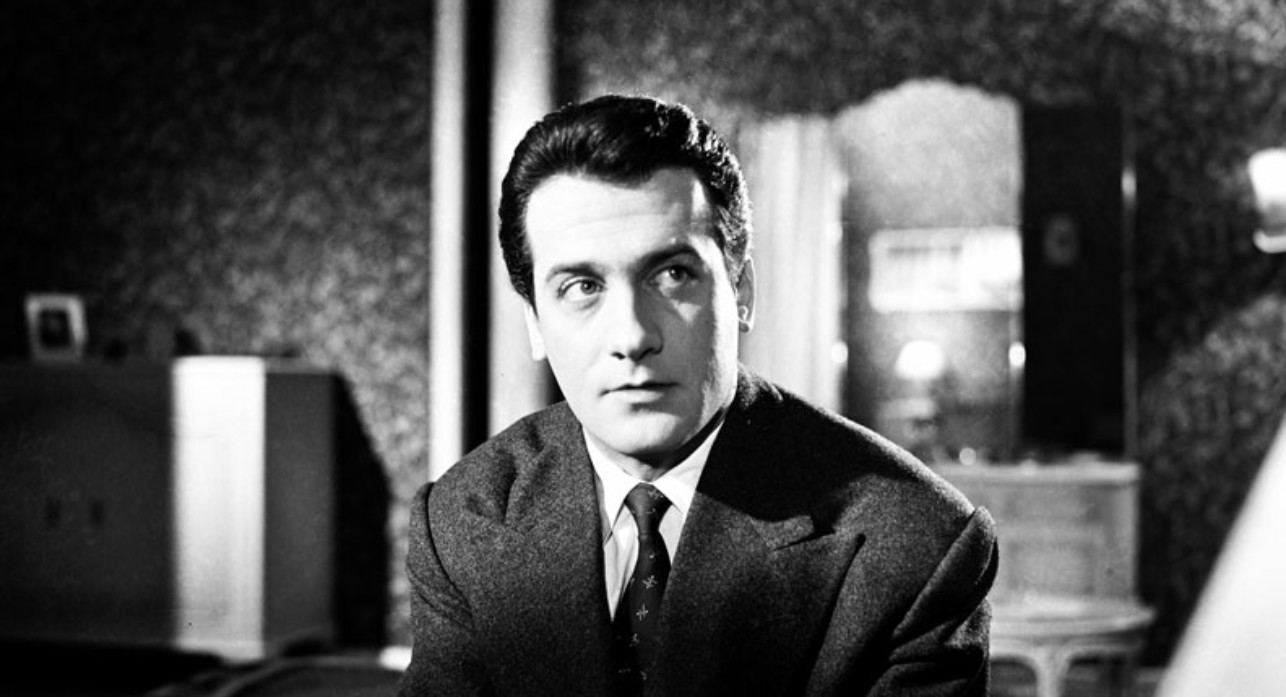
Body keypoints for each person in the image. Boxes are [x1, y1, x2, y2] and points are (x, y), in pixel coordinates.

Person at [400, 94, 998, 696]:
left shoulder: (916, 542)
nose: (632, 337)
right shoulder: (465, 521)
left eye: (672, 275)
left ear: (741, 291)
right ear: (534, 321)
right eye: (582, 287)